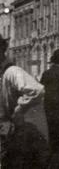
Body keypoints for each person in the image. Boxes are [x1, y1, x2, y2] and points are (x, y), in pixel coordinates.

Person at [0, 34, 47, 168]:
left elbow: (37, 90)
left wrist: (19, 109)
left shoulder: (12, 71)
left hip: (5, 130)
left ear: (2, 49)